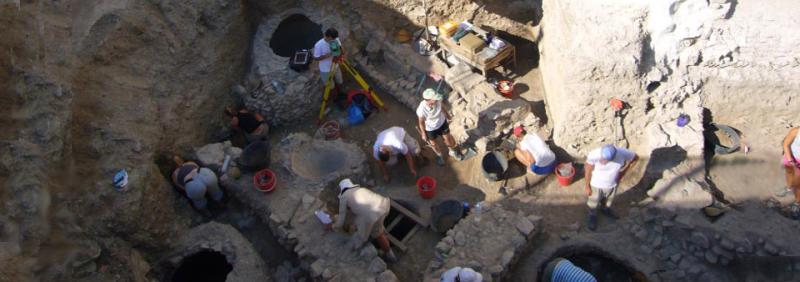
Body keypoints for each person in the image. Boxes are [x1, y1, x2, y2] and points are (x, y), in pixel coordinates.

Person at [327, 178, 397, 262]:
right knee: (377, 225)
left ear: (342, 190)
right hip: (383, 205)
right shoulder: (361, 189)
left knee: (376, 235)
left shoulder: (344, 197)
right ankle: (382, 233)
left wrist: (333, 226)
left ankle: (391, 256)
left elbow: (341, 220)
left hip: (372, 215)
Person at [584, 144, 637, 231]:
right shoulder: (594, 154)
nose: (602, 161)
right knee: (593, 203)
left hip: (612, 184)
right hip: (596, 184)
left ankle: (605, 209)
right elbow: (588, 170)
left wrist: (624, 171)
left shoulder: (622, 153)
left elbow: (635, 158)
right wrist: (587, 186)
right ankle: (592, 215)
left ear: (613, 158)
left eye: (605, 160)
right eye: (602, 158)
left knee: (608, 201)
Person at [417, 88, 462, 166]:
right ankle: (439, 155)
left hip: (442, 122)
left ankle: (452, 151)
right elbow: (421, 122)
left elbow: (442, 107)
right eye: (434, 99)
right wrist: (424, 134)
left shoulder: (437, 101)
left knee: (448, 138)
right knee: (434, 144)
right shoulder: (421, 109)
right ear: (428, 100)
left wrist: (448, 116)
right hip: (430, 128)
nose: (437, 99)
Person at [778, 127, 800, 217]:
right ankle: (788, 188)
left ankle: (797, 203)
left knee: (799, 185)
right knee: (789, 174)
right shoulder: (796, 131)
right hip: (790, 158)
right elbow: (786, 144)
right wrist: (791, 161)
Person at [314, 28, 344, 94]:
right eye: (332, 39)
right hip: (325, 70)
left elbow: (341, 50)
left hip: (335, 66)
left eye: (335, 39)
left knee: (340, 81)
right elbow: (316, 58)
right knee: (331, 87)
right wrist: (327, 55)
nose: (334, 40)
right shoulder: (318, 45)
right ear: (328, 37)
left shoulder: (335, 39)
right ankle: (335, 98)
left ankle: (341, 93)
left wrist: (340, 53)